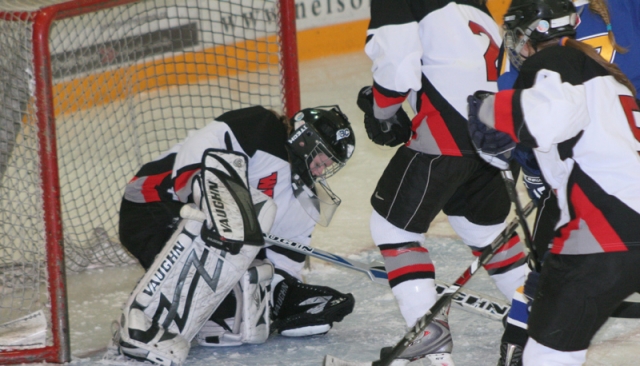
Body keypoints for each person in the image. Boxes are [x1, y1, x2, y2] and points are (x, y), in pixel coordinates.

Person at [114, 105, 356, 365]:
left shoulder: (303, 200)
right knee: (218, 232)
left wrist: (287, 299)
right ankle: (141, 324)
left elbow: (281, 266)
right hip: (155, 205)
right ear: (305, 139)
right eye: (320, 160)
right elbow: (203, 143)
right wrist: (204, 191)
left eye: (327, 167)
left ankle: (190, 311)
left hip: (215, 236)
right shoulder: (263, 127)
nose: (319, 171)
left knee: (234, 320)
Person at [467, 0, 640, 363]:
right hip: (619, 214)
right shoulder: (606, 72)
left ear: (528, 35)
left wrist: (488, 109)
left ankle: (520, 340)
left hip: (606, 230)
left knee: (546, 356)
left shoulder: (552, 61)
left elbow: (544, 120)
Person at [358, 0, 528, 364]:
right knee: (485, 233)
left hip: (444, 136)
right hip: (495, 137)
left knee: (392, 228)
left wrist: (383, 112)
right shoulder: (474, 4)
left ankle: (428, 331)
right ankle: (533, 318)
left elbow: (397, 63)